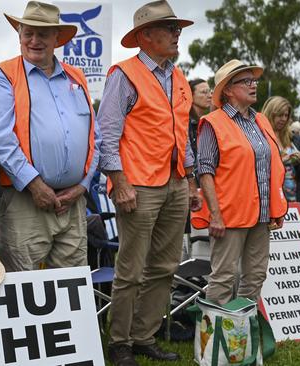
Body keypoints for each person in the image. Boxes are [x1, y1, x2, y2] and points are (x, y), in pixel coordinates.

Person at [97, 1, 200, 364]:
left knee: (165, 267)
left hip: (173, 184)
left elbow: (182, 135)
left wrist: (189, 182)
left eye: (177, 28)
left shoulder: (178, 76)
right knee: (131, 269)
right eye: (170, 28)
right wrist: (119, 183)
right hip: (137, 186)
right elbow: (107, 136)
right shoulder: (123, 74)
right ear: (145, 36)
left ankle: (144, 336)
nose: (177, 34)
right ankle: (120, 343)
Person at [0, 1, 99, 272]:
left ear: (57, 39)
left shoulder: (77, 76)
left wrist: (82, 185)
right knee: (22, 291)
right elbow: (1, 138)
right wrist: (35, 185)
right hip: (25, 202)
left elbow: (95, 137)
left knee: (72, 290)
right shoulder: (4, 75)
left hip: (73, 203)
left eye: (42, 34)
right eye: (27, 33)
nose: (34, 40)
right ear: (19, 35)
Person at [194, 59, 287, 307]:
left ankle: (240, 335)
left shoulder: (261, 121)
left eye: (254, 80)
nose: (253, 85)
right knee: (223, 278)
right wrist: (215, 214)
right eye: (246, 81)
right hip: (229, 215)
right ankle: (213, 340)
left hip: (261, 215)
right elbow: (205, 171)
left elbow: (270, 165)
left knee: (255, 276)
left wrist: (275, 207)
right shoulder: (213, 122)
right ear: (227, 89)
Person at [261, 96, 300, 201]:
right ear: (271, 113)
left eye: (286, 115)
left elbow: (293, 159)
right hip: (270, 192)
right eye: (280, 115)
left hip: (291, 191)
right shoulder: (260, 134)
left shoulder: (289, 135)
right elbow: (259, 164)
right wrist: (286, 159)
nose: (283, 119)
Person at [188, 78, 212, 158]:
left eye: (210, 91)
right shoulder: (186, 123)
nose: (210, 96)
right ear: (191, 95)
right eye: (204, 92)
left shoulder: (206, 121)